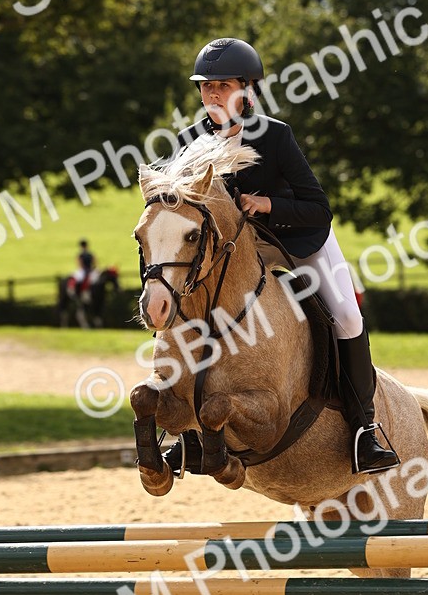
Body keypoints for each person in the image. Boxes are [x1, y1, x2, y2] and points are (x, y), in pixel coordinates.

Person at [165, 36, 400, 475]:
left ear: (246, 90)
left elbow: (318, 206)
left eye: (221, 85)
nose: (211, 94)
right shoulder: (190, 142)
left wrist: (266, 204)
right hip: (232, 250)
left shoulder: (275, 136)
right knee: (186, 312)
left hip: (296, 237)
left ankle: (364, 430)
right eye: (205, 86)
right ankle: (184, 435)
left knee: (347, 317)